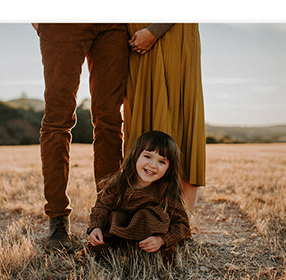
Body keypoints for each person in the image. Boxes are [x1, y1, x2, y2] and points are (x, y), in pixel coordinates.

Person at [34, 23, 130, 250]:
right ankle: (57, 217)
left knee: (110, 121)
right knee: (58, 119)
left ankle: (107, 215)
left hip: (113, 23)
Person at [123, 23, 205, 212]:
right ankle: (141, 215)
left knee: (180, 113)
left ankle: (181, 219)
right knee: (140, 119)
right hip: (135, 40)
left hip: (175, 33)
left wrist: (155, 30)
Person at [87, 130, 190, 259]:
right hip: (118, 236)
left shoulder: (165, 191)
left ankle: (149, 256)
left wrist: (162, 240)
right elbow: (101, 207)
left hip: (149, 241)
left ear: (169, 168)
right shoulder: (119, 183)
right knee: (113, 218)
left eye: (162, 162)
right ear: (135, 156)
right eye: (147, 156)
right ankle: (117, 253)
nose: (153, 165)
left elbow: (183, 224)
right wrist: (96, 227)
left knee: (151, 216)